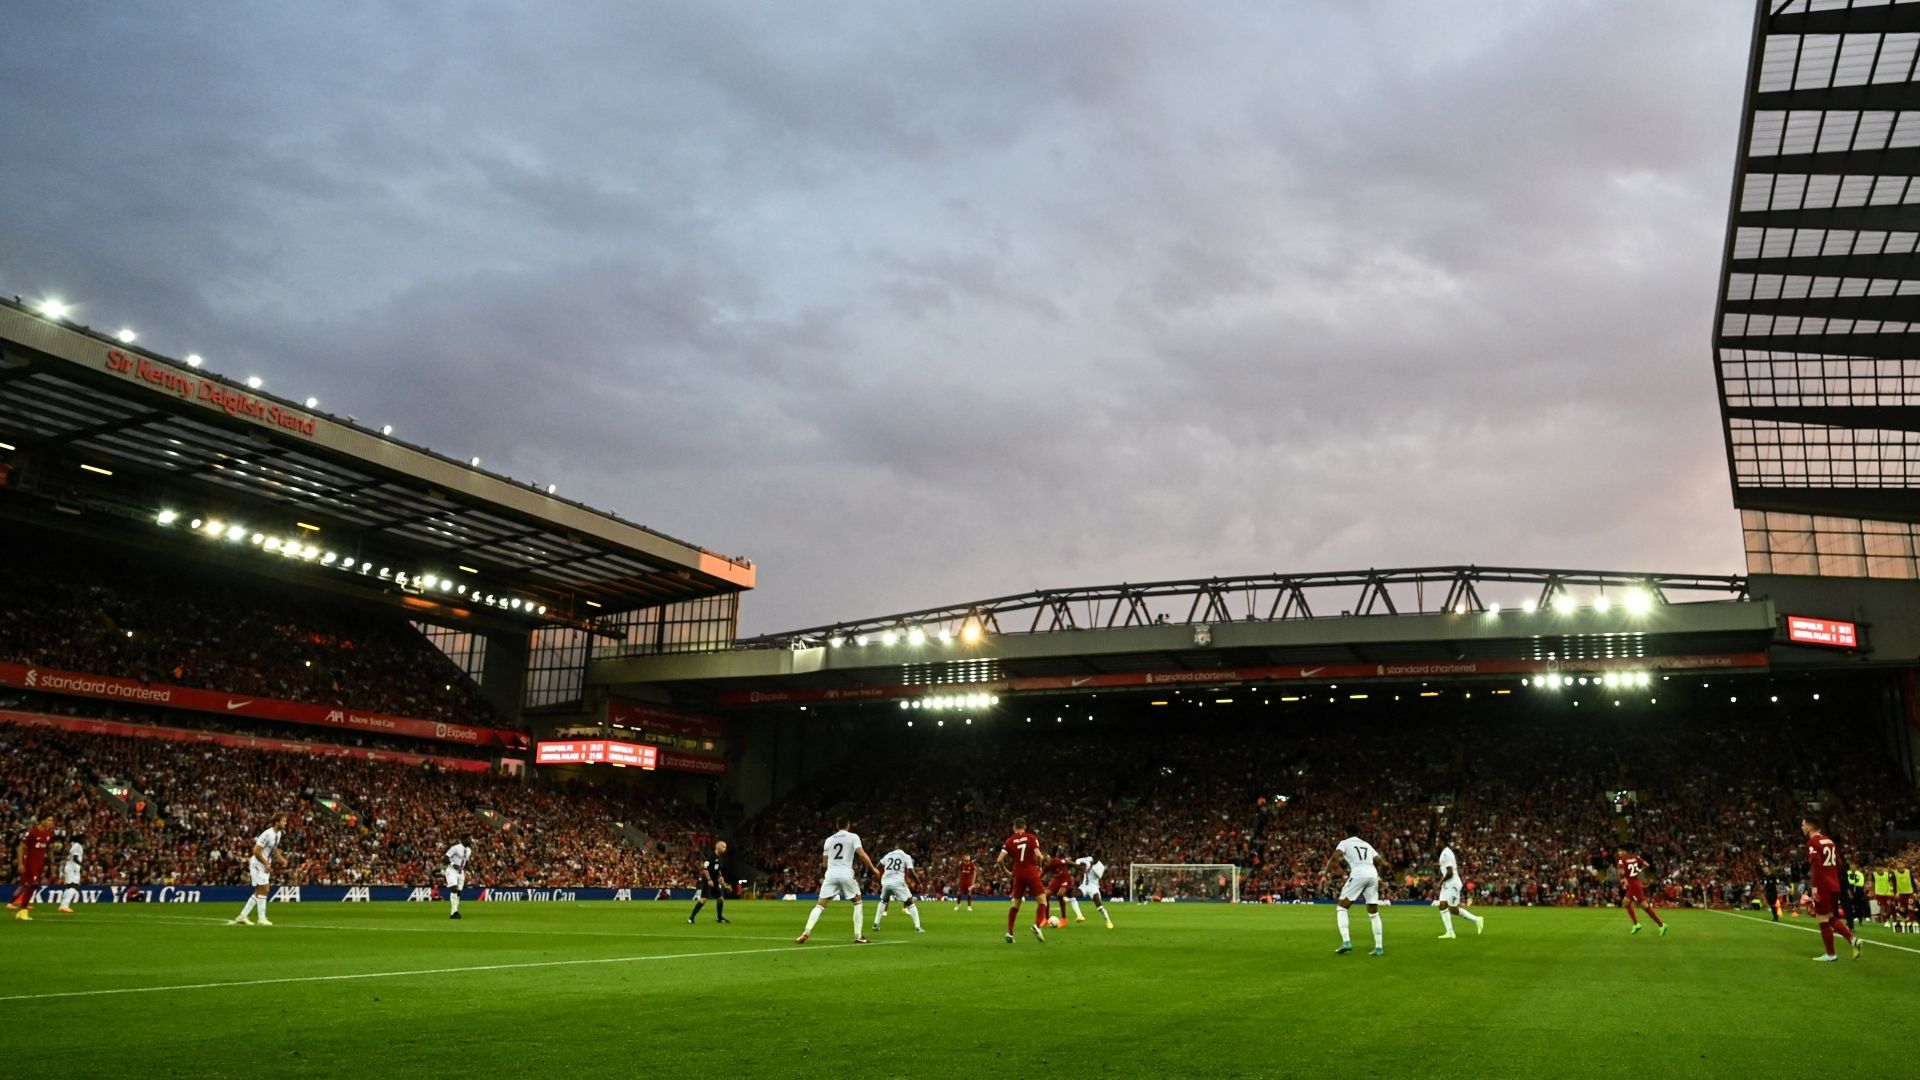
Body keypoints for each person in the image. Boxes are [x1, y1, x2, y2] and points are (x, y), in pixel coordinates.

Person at [795, 816, 879, 944]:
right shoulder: (853, 837)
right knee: (857, 903)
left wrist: (830, 871)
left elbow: (824, 863)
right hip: (846, 873)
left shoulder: (829, 840)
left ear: (837, 826)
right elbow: (862, 854)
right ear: (848, 825)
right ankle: (858, 936)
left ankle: (805, 932)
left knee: (819, 905)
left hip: (831, 874)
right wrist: (873, 868)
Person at [1802, 818, 1861, 962]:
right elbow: (1839, 864)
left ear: (1810, 826)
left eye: (1803, 825)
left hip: (1823, 886)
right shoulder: (1829, 841)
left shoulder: (1813, 843)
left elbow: (1816, 866)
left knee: (1822, 918)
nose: (1802, 827)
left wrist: (1814, 888)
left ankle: (1831, 954)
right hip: (1834, 884)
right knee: (1830, 916)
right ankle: (1853, 940)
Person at [1327, 830, 1388, 955]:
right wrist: (1380, 877)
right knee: (1373, 912)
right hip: (1373, 874)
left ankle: (1346, 942)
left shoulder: (1344, 843)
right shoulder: (1366, 844)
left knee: (1342, 907)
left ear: (1345, 833)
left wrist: (1325, 873)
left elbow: (1335, 857)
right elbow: (1382, 862)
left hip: (1359, 873)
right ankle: (1379, 948)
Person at [996, 817, 1049, 943]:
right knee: (1042, 901)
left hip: (1018, 873)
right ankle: (1037, 925)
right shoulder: (1031, 838)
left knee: (1016, 904)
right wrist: (1040, 867)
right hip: (1031, 871)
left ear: (1014, 827)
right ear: (1024, 827)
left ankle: (1009, 932)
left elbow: (999, 860)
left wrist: (1005, 871)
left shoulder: (1009, 841)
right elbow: (1039, 855)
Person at [230, 813, 288, 926]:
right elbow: (256, 851)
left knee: (259, 891)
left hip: (264, 864)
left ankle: (242, 916)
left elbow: (274, 850)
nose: (285, 823)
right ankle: (261, 919)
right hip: (258, 864)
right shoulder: (267, 834)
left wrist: (282, 860)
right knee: (265, 889)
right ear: (277, 822)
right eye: (283, 821)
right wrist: (266, 863)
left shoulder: (279, 834)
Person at [8, 815, 55, 921]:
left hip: (40, 863)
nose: (51, 822)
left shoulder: (49, 834)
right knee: (32, 884)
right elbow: (21, 847)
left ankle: (21, 911)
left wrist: (52, 863)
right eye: (49, 820)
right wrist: (20, 863)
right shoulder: (32, 833)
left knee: (34, 886)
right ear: (42, 821)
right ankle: (23, 910)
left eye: (52, 820)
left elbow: (49, 849)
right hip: (30, 862)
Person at [1434, 842, 1484, 939]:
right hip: (1447, 884)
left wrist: (1440, 882)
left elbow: (1450, 873)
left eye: (1437, 842)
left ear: (1442, 842)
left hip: (1452, 884)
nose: (1436, 844)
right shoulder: (1444, 852)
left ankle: (1477, 919)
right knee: (1442, 905)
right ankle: (1450, 932)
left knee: (1453, 910)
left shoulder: (1446, 853)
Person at [871, 845, 924, 934]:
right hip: (898, 882)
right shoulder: (906, 856)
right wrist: (919, 883)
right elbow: (911, 872)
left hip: (886, 881)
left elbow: (878, 865)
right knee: (910, 902)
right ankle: (918, 927)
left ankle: (876, 924)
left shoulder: (889, 855)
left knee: (883, 901)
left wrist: (877, 877)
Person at [1614, 845, 1666, 936]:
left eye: (1620, 851)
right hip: (1635, 883)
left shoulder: (1621, 860)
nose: (1619, 853)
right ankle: (1636, 924)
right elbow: (1647, 865)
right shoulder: (1636, 857)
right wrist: (1638, 870)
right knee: (1625, 903)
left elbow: (1621, 873)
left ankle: (1661, 925)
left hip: (1634, 885)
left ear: (1625, 851)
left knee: (1645, 906)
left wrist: (1620, 873)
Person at [689, 840, 730, 924]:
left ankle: (719, 917)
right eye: (724, 847)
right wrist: (709, 880)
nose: (725, 849)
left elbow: (718, 870)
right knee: (704, 899)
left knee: (720, 899)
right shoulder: (711, 857)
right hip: (707, 881)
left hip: (714, 881)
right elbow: (704, 869)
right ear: (717, 847)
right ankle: (691, 918)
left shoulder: (720, 858)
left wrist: (721, 876)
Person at [1075, 853, 1115, 929]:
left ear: (1099, 857)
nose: (1094, 858)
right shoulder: (1088, 859)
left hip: (1093, 887)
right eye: (1093, 856)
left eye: (1096, 857)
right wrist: (1081, 865)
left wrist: (1092, 866)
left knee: (1099, 906)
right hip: (1084, 885)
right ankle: (1079, 915)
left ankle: (1108, 921)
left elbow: (1099, 876)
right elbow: (1077, 860)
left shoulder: (1101, 866)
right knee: (1072, 895)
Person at [1044, 854, 1078, 922]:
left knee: (1060, 895)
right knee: (1045, 895)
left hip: (1065, 878)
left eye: (1046, 861)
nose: (1046, 863)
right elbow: (1042, 873)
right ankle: (1046, 918)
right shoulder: (1046, 866)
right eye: (1044, 862)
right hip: (1056, 880)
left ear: (1049, 858)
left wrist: (1077, 865)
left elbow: (1066, 861)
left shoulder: (1057, 861)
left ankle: (1063, 918)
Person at [445, 838, 472, 920]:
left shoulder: (469, 850)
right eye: (469, 839)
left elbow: (466, 862)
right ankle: (454, 912)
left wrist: (469, 872)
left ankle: (454, 912)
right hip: (451, 871)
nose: (470, 841)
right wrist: (453, 864)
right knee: (454, 889)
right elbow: (445, 858)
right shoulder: (455, 848)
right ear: (464, 840)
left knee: (458, 892)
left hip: (461, 873)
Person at [58, 829, 84, 914]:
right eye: (84, 839)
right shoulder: (78, 846)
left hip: (69, 867)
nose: (85, 841)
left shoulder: (73, 845)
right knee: (73, 886)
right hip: (73, 868)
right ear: (80, 839)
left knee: (69, 887)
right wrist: (82, 865)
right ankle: (65, 906)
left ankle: (62, 905)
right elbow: (75, 858)